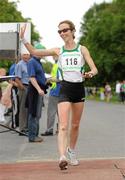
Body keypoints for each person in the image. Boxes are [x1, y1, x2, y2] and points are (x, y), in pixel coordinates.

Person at [20, 20, 98, 170]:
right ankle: (62, 157)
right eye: (60, 31)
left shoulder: (82, 49)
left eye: (65, 30)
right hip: (65, 88)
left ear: (73, 31)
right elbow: (35, 52)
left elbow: (94, 69)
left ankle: (71, 151)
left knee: (75, 125)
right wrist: (24, 39)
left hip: (79, 89)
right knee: (63, 125)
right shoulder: (58, 50)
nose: (62, 33)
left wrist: (90, 74)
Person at [26, 55, 48, 142]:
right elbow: (32, 77)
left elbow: (41, 77)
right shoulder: (32, 61)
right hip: (35, 89)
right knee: (33, 112)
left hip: (39, 89)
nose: (42, 54)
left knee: (37, 113)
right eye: (41, 52)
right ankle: (32, 136)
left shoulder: (38, 62)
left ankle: (35, 135)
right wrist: (38, 89)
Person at [41, 57, 61, 136]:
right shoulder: (60, 65)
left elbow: (59, 79)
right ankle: (60, 129)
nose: (53, 57)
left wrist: (49, 80)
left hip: (56, 91)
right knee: (61, 112)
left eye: (54, 55)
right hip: (61, 91)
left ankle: (49, 130)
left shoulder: (58, 65)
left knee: (51, 112)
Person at [15, 53, 30, 135]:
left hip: (29, 87)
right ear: (21, 56)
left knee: (27, 108)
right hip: (23, 87)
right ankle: (22, 128)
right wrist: (23, 88)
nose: (26, 56)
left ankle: (26, 127)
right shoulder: (20, 65)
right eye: (24, 54)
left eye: (27, 54)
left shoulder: (29, 64)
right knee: (23, 109)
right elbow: (17, 78)